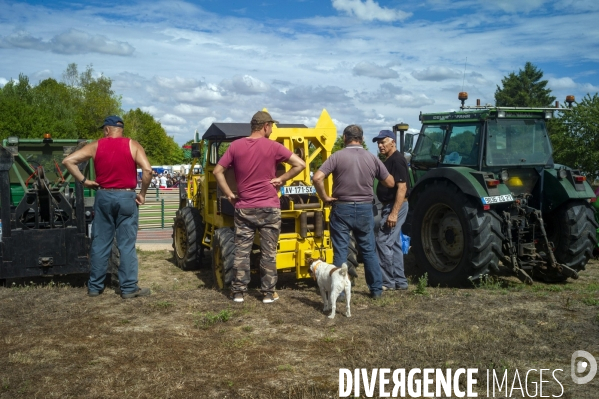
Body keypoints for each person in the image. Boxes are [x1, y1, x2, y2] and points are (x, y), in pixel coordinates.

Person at [213, 111, 306, 304]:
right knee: (268, 252)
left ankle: (238, 292)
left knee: (241, 251)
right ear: (265, 126)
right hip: (269, 207)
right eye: (272, 126)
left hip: (244, 207)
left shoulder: (235, 146)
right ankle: (268, 293)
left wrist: (229, 194)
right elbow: (300, 164)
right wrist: (280, 179)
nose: (272, 130)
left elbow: (217, 171)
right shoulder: (274, 147)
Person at [62, 115, 153, 299]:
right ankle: (128, 289)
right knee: (126, 245)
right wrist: (142, 193)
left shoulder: (96, 145)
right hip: (127, 196)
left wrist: (84, 181)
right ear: (121, 129)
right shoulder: (133, 145)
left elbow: (68, 161)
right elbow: (148, 170)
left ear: (106, 130)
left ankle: (95, 287)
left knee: (100, 242)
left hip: (103, 195)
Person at [313, 125, 395, 299]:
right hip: (366, 208)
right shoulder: (371, 158)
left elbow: (317, 177)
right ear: (362, 139)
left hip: (342, 208)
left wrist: (325, 197)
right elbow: (390, 182)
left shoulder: (336, 156)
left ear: (344, 138)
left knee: (341, 252)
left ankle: (340, 293)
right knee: (369, 250)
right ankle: (376, 290)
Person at [372, 130, 410, 291]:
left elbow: (402, 188)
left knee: (382, 241)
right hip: (391, 205)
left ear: (393, 142)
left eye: (383, 142)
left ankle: (387, 282)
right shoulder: (389, 160)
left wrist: (394, 213)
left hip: (396, 205)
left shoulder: (397, 160)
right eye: (378, 143)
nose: (380, 145)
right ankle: (400, 281)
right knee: (393, 243)